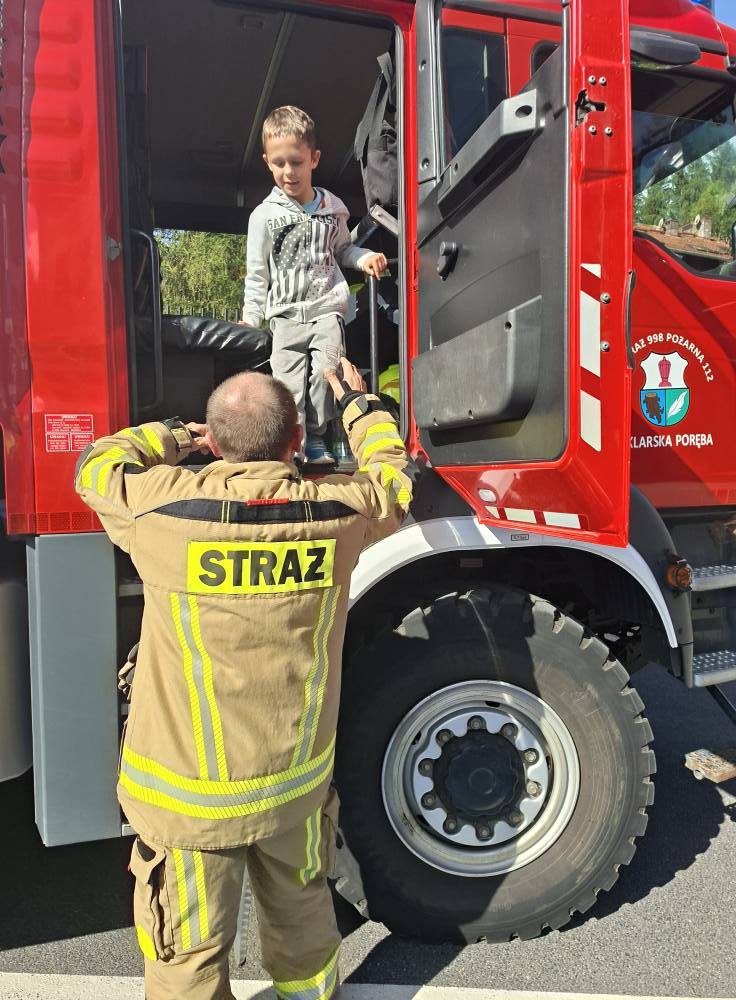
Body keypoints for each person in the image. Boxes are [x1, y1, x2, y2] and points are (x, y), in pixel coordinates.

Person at [74, 359, 417, 1000]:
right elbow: (394, 481)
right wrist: (361, 407)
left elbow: (95, 465)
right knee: (303, 921)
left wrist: (178, 435)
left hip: (189, 802)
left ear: (216, 443)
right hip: (293, 784)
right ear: (296, 441)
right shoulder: (338, 513)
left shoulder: (162, 509)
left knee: (189, 957)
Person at [243, 105, 387, 465]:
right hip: (285, 316)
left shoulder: (333, 209)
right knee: (287, 386)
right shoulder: (263, 216)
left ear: (314, 159)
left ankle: (318, 438)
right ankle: (294, 446)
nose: (288, 172)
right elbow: (257, 273)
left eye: (296, 162)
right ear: (267, 162)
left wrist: (365, 257)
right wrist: (251, 318)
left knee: (327, 375)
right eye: (279, 163)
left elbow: (344, 249)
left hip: (326, 310)